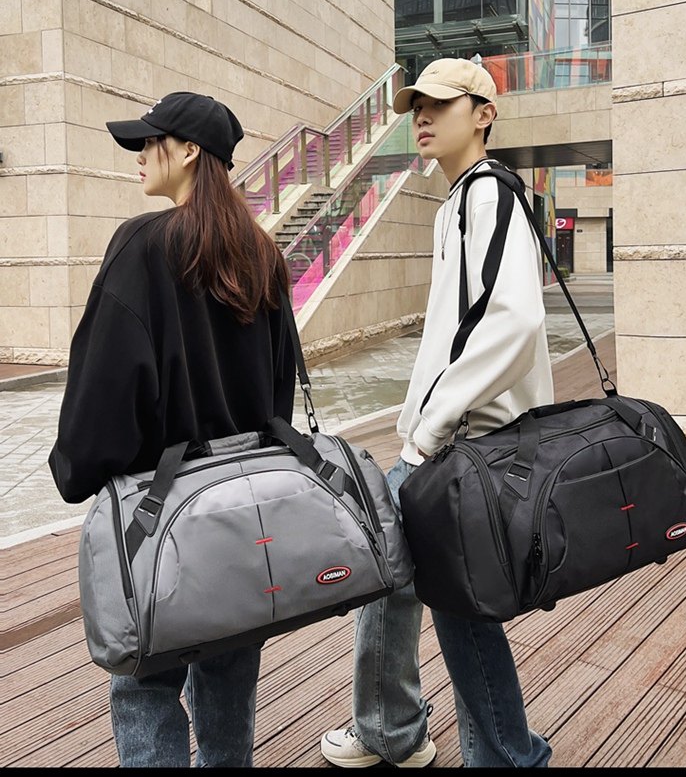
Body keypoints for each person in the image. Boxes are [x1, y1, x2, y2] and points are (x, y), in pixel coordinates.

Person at [48, 90, 297, 768]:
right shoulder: (262, 253)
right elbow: (280, 394)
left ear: (189, 151)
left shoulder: (143, 246)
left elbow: (105, 386)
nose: (139, 153)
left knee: (145, 684)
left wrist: (77, 469)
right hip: (245, 512)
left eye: (149, 141)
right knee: (230, 674)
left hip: (160, 514)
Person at [320, 58, 554, 769]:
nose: (421, 116)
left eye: (440, 104)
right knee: (446, 602)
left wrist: (429, 429)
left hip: (466, 445)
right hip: (455, 440)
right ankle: (415, 732)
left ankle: (419, 735)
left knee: (417, 584)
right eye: (416, 105)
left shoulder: (488, 193)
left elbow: (515, 320)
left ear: (484, 113)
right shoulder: (458, 200)